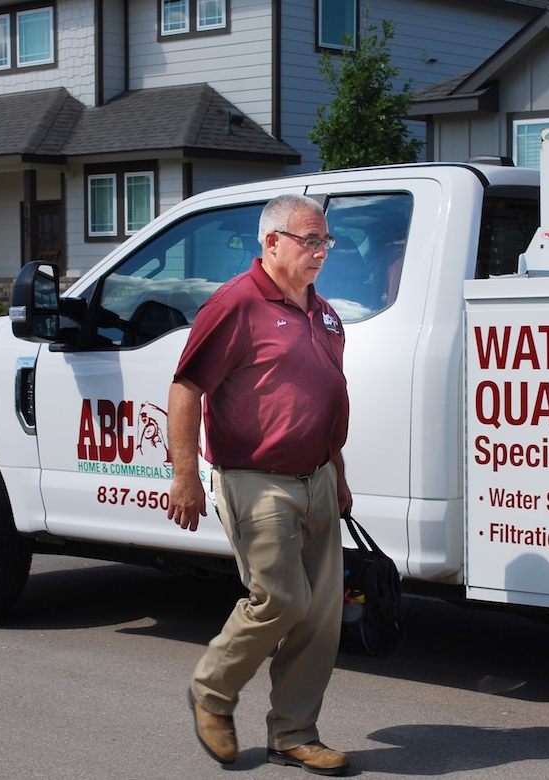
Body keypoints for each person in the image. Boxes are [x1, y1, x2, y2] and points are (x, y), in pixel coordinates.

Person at [167, 193, 352, 776]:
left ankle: (293, 734)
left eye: (325, 241)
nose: (321, 251)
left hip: (317, 477)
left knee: (322, 615)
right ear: (271, 243)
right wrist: (184, 475)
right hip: (256, 479)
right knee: (282, 599)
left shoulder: (323, 312)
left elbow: (324, 401)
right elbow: (185, 389)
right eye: (309, 240)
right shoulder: (236, 304)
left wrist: (338, 477)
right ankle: (212, 691)